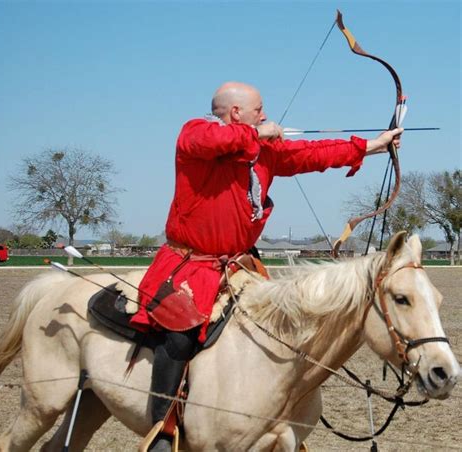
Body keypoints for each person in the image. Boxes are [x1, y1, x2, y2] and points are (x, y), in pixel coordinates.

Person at [131, 81, 403, 451]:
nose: (265, 113)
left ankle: (273, 417)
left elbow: (312, 153)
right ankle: (163, 431)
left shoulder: (262, 151)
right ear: (236, 113)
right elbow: (211, 141)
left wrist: (373, 146)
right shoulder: (196, 133)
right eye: (258, 109)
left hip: (239, 266)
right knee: (178, 337)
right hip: (189, 268)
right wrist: (257, 133)